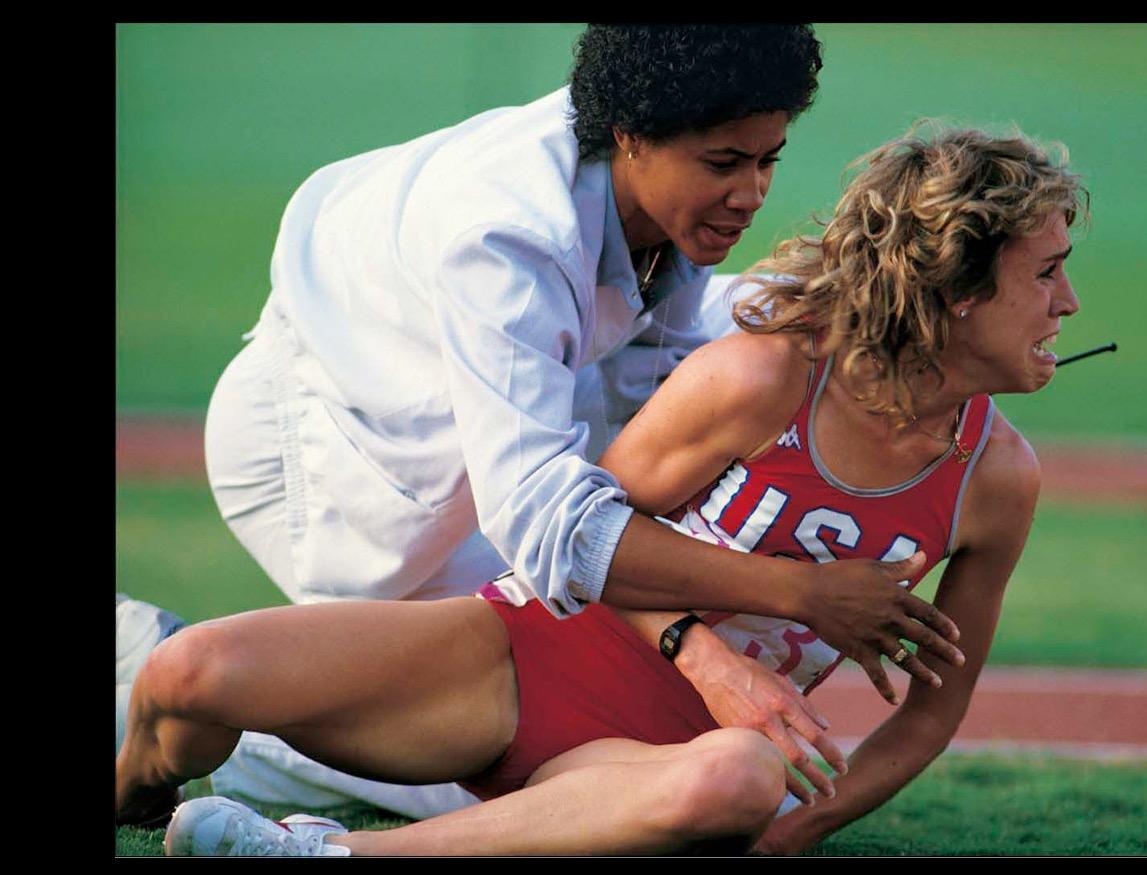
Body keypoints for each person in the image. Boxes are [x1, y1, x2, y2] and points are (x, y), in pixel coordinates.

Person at [118, 123, 1087, 855]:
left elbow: (930, 708)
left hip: (672, 755)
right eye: (1045, 273)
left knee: (745, 777)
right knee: (185, 674)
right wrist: (703, 643)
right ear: (956, 288)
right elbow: (578, 536)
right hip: (519, 652)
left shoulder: (998, 479)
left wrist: (803, 826)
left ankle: (324, 851)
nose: (1066, 303)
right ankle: (133, 790)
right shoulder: (765, 375)